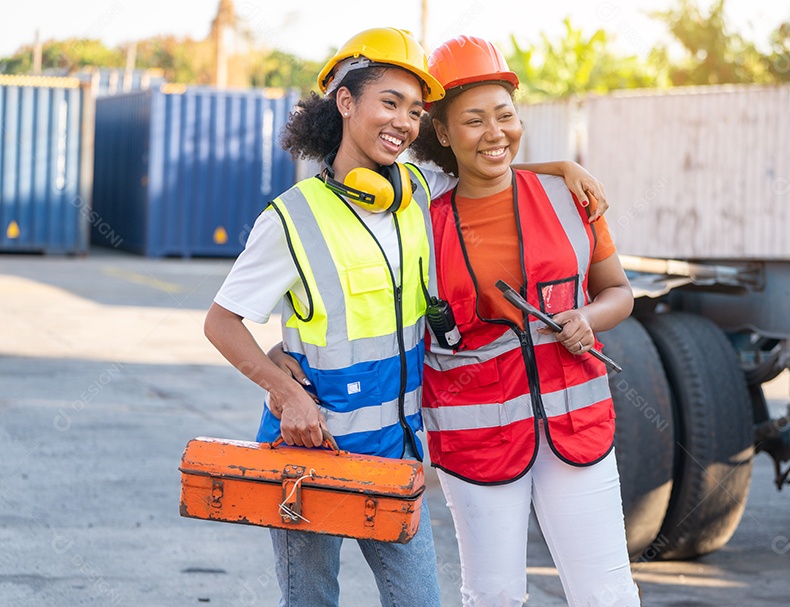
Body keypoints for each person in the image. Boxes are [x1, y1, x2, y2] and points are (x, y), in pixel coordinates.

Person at [207, 27, 609, 607]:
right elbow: (221, 322)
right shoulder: (291, 219)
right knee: (312, 600)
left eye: (416, 110)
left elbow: (487, 164)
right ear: (345, 103)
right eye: (389, 102)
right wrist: (282, 390)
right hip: (310, 455)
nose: (403, 121)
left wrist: (562, 167)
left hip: (395, 453)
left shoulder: (415, 192)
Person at [408, 36, 640, 607]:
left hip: (574, 423)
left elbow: (619, 292)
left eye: (505, 116)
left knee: (606, 592)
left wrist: (587, 316)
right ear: (442, 132)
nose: (495, 132)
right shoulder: (421, 224)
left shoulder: (568, 198)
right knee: (493, 595)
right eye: (473, 120)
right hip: (476, 436)